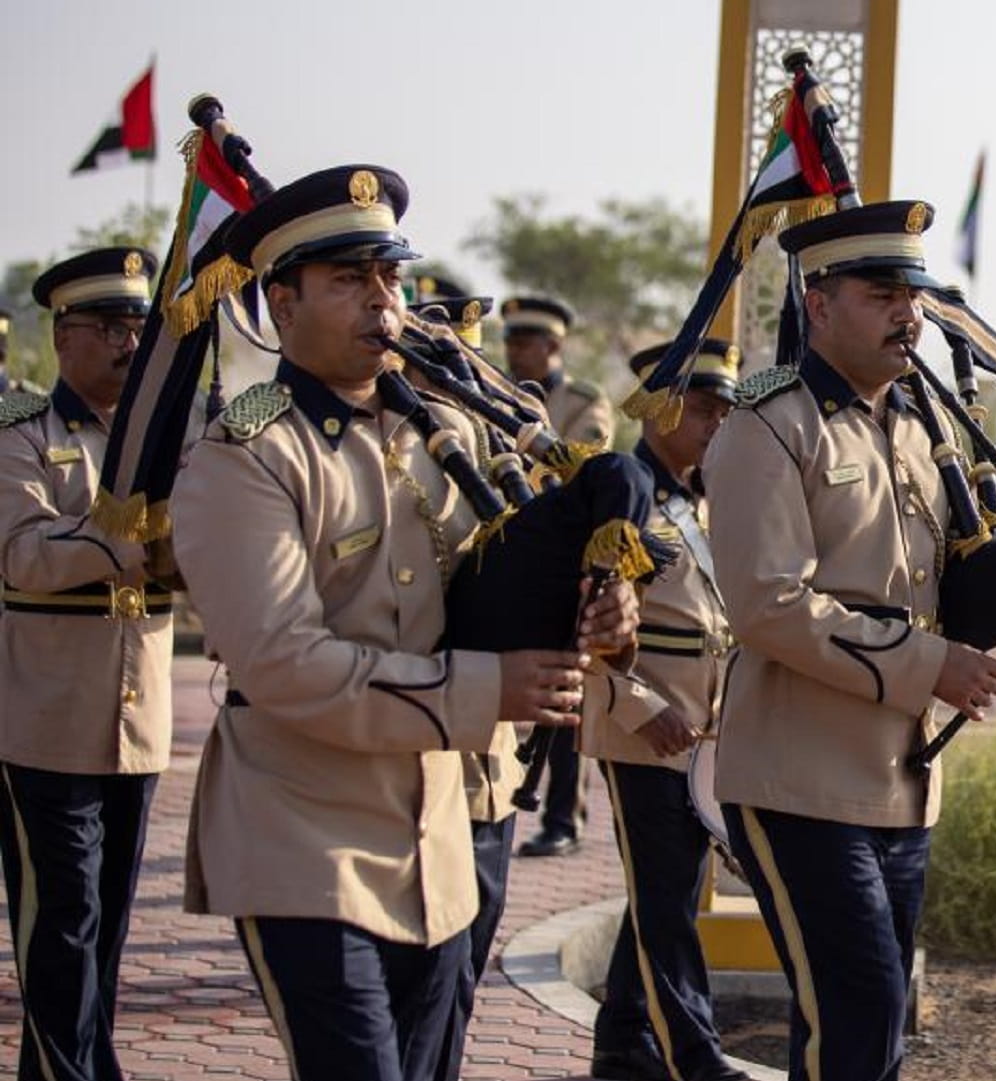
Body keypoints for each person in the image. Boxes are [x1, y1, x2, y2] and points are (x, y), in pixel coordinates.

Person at [170, 165, 633, 1081]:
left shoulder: (442, 434)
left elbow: (493, 585)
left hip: (438, 832)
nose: (381, 302)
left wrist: (600, 601)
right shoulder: (246, 453)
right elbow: (283, 661)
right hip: (305, 837)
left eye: (387, 278)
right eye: (348, 280)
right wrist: (488, 687)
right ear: (281, 301)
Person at [702, 200, 996, 1081]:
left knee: (869, 1025)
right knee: (859, 1011)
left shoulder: (921, 427)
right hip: (797, 777)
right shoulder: (767, 423)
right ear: (820, 303)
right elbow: (768, 604)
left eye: (913, 292)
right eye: (881, 293)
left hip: (901, 783)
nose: (908, 312)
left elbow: (954, 578)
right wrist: (931, 663)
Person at [0, 247, 174, 1081]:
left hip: (137, 721)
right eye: (110, 326)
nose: (129, 343)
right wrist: (131, 543)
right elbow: (24, 556)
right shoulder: (20, 434)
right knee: (60, 914)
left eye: (139, 325)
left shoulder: (168, 443)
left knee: (106, 922)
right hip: (46, 717)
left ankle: (73, 1065)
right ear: (62, 335)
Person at [586, 339, 748, 1081]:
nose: (719, 422)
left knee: (668, 890)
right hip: (643, 733)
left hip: (700, 736)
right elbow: (586, 621)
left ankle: (623, 1039)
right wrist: (637, 704)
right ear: (660, 408)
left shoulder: (699, 501)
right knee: (666, 901)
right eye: (707, 408)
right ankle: (695, 1056)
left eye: (725, 409)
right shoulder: (623, 494)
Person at [405, 281, 527, 1021]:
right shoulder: (401, 460)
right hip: (421, 750)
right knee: (420, 989)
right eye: (449, 381)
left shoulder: (510, 457)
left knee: (459, 985)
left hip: (496, 761)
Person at [502, 293, 616, 858]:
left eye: (526, 342)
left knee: (567, 698)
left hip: (566, 562)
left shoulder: (582, 402)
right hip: (510, 556)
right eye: (511, 342)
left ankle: (563, 818)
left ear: (553, 346)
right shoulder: (494, 393)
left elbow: (577, 471)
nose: (515, 352)